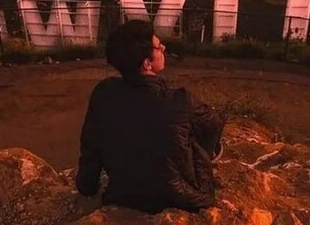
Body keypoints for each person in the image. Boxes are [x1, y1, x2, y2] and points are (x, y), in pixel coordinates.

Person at [76, 20, 225, 213]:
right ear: (146, 63)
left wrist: (87, 185)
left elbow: (91, 145)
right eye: (158, 46)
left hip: (122, 195)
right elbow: (214, 126)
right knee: (191, 133)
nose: (163, 47)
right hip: (180, 198)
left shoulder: (104, 94)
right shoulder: (180, 100)